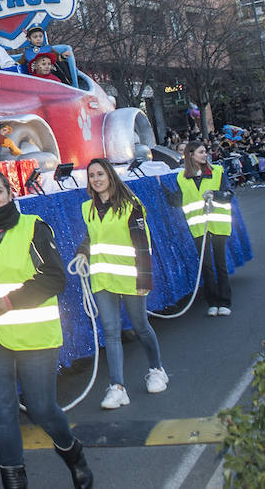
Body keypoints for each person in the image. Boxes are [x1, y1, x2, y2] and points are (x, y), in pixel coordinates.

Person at [0, 170, 93, 489]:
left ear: (10, 193)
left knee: (41, 407)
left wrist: (11, 302)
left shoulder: (33, 228)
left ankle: (73, 452)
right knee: (2, 411)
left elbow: (54, 277)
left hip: (34, 334)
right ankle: (14, 480)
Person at [77, 159, 168, 410]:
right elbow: (90, 236)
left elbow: (142, 244)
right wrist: (82, 252)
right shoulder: (88, 208)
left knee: (141, 327)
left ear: (110, 176)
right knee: (111, 332)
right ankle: (117, 388)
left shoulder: (131, 206)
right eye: (92, 175)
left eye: (100, 174)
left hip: (131, 278)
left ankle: (157, 369)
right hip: (103, 279)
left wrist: (144, 279)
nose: (96, 179)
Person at [176, 140, 234, 316]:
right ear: (191, 155)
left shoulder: (217, 171)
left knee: (220, 263)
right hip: (199, 227)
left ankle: (224, 301)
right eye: (201, 152)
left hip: (218, 224)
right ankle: (212, 301)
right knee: (206, 265)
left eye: (205, 151)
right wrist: (159, 187)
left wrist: (215, 194)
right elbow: (178, 200)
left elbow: (229, 194)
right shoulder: (181, 177)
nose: (205, 154)